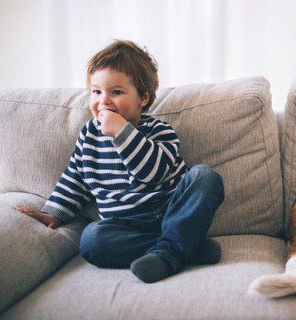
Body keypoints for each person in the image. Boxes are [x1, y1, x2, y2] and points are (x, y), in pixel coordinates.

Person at [17, 40, 224, 283]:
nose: (103, 101)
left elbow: (152, 174)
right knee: (91, 240)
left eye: (116, 92)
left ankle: (169, 253)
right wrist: (53, 213)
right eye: (96, 91)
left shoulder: (160, 131)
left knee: (205, 177)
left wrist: (121, 131)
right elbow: (75, 179)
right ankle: (183, 247)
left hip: (171, 209)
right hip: (126, 227)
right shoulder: (89, 136)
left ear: (143, 98)